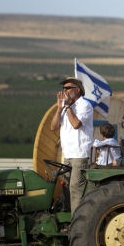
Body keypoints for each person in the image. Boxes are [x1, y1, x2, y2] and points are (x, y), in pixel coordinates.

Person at [50, 77, 94, 215]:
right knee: (67, 187)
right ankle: (70, 220)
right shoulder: (65, 107)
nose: (64, 91)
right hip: (67, 154)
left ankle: (77, 222)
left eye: (68, 88)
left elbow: (76, 124)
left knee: (76, 188)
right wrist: (59, 109)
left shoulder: (84, 105)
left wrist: (68, 106)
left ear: (77, 90)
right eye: (63, 88)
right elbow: (53, 127)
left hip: (79, 154)